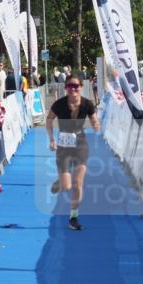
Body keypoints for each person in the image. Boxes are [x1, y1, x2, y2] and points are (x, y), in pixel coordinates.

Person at [46, 74, 101, 231]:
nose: (73, 89)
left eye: (76, 86)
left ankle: (73, 218)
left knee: (78, 183)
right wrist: (51, 139)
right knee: (66, 186)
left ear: (81, 88)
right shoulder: (59, 104)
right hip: (63, 147)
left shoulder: (87, 104)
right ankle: (59, 181)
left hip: (80, 145)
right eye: (70, 86)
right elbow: (49, 119)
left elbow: (94, 120)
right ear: (66, 88)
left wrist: (97, 126)